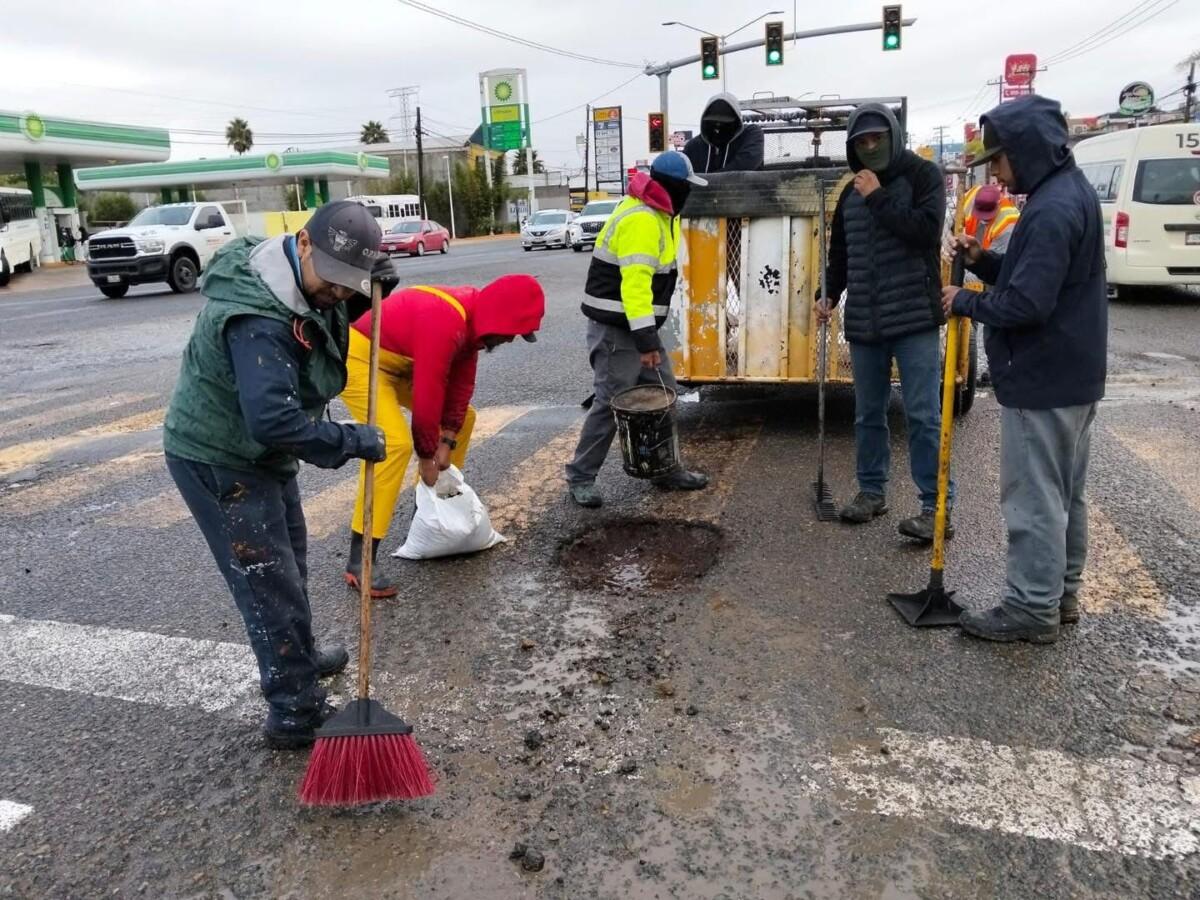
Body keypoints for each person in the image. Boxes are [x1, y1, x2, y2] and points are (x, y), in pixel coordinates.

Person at [163, 201, 389, 749]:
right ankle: (294, 710)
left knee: (290, 557)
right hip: (220, 455)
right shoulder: (258, 320)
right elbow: (273, 419)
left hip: (260, 453)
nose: (338, 295)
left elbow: (319, 324)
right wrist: (351, 440)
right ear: (304, 244)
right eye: (333, 282)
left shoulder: (300, 275)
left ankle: (301, 658)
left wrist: (369, 292)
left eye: (348, 286)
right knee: (268, 580)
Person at [943, 95, 1106, 644]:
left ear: (1027, 151)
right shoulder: (1064, 195)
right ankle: (1059, 597)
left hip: (1043, 377)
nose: (994, 171)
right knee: (1063, 494)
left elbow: (1027, 305)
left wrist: (962, 300)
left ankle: (1031, 610)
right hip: (1070, 376)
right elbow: (1029, 278)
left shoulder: (1052, 209)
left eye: (1000, 158)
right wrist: (983, 260)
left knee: (1035, 498)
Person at [341, 275, 545, 597]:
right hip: (363, 361)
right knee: (393, 444)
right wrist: (426, 456)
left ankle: (428, 509)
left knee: (466, 418)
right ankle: (359, 559)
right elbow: (428, 394)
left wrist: (447, 441)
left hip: (400, 364)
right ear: (499, 318)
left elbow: (461, 389)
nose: (510, 341)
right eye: (512, 333)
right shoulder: (446, 321)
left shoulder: (472, 322)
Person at [816, 103, 952, 542]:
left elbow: (925, 232)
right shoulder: (848, 193)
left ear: (894, 136)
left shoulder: (922, 177)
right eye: (862, 141)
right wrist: (828, 293)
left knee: (923, 415)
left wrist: (877, 195)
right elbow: (841, 255)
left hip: (913, 319)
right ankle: (871, 491)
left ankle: (935, 508)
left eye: (877, 138)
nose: (870, 146)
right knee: (867, 414)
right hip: (866, 322)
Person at [565, 151, 710, 507]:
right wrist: (647, 341)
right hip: (619, 330)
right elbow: (634, 288)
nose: (689, 194)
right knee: (611, 402)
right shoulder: (643, 219)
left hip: (636, 327)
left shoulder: (660, 212)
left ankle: (664, 468)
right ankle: (581, 476)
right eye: (686, 187)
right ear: (673, 187)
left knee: (664, 391)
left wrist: (647, 337)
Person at [683, 93, 764, 175]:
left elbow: (748, 161)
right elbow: (681, 172)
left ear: (737, 120)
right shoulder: (694, 146)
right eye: (713, 122)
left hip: (745, 188)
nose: (718, 126)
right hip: (700, 187)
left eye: (725, 122)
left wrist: (708, 182)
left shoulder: (750, 133)